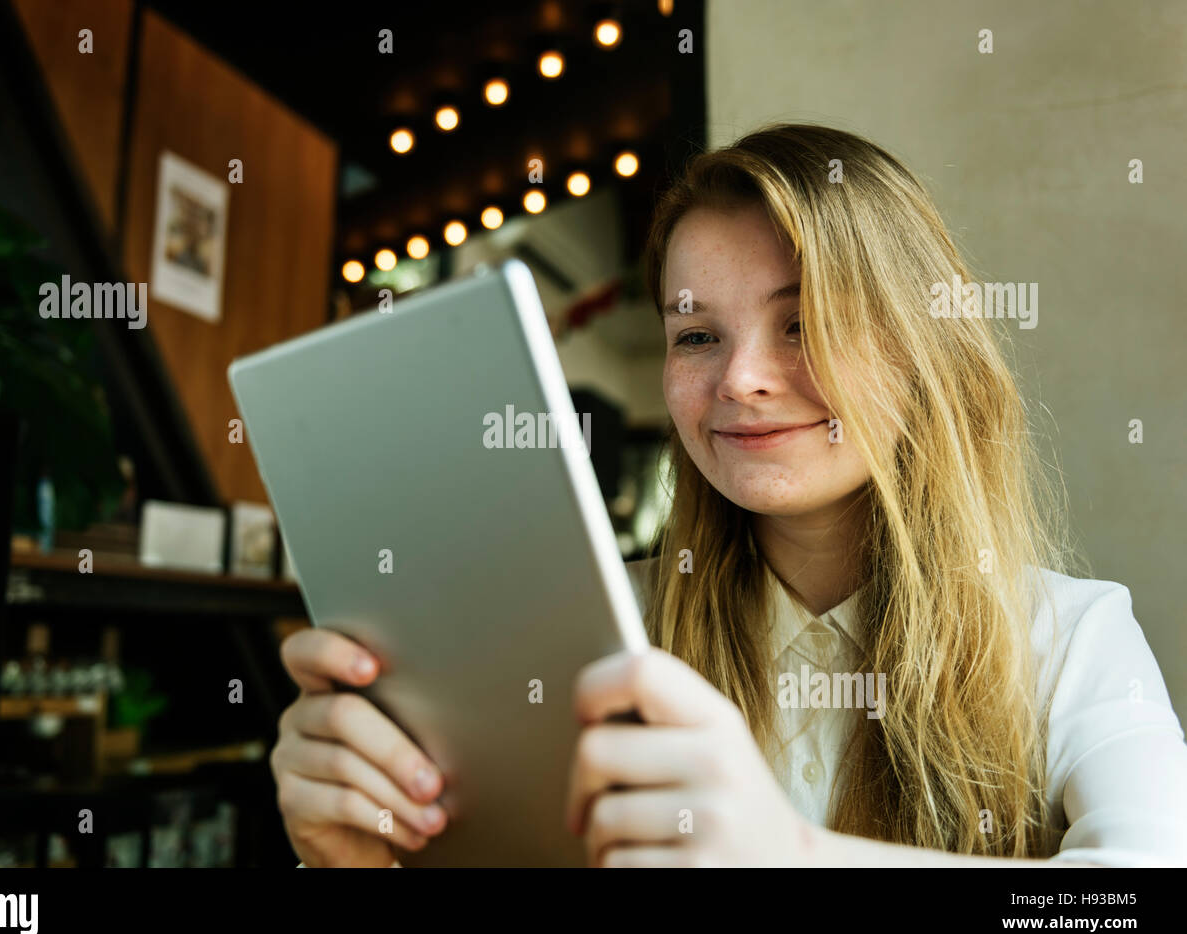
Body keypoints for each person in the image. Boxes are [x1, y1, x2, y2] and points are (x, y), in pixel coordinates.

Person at [270, 123, 1187, 867]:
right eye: (697, 335)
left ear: (922, 353)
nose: (742, 378)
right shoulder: (590, 629)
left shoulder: (1074, 640)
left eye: (805, 321)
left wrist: (789, 855)